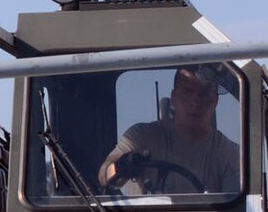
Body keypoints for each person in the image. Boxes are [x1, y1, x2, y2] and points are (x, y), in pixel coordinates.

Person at [97, 65, 241, 195]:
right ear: (173, 97)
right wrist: (121, 167)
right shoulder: (141, 136)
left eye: (203, 94)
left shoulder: (229, 154)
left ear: (215, 101)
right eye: (187, 92)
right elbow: (104, 175)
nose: (195, 102)